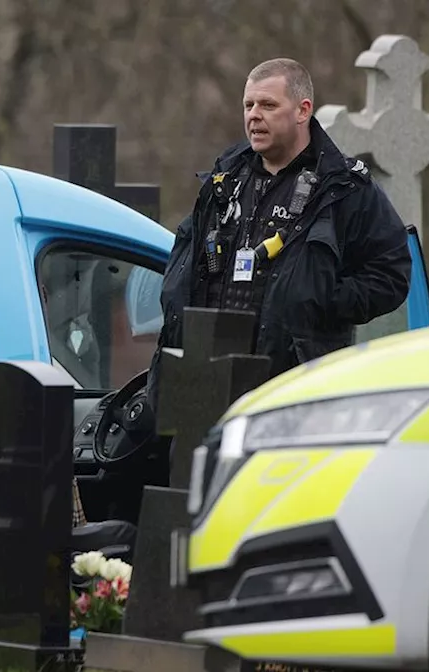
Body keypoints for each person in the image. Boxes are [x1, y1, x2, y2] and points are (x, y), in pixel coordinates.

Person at [145, 57, 412, 414]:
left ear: (303, 111)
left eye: (268, 105)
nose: (254, 115)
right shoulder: (224, 178)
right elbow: (184, 263)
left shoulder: (345, 188)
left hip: (295, 384)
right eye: (249, 105)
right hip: (207, 380)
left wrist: (321, 300)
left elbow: (391, 274)